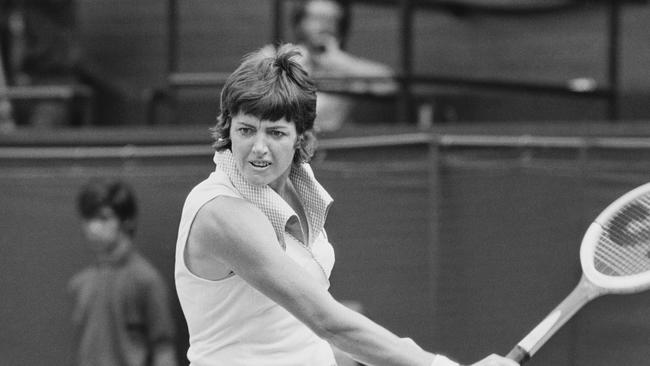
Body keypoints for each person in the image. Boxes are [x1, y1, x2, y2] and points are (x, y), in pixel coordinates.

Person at [174, 43, 517, 366]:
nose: (258, 147)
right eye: (246, 130)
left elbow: (299, 333)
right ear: (228, 129)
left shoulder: (296, 189)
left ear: (302, 139)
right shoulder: (220, 212)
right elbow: (327, 321)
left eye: (275, 133)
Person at [68, 178, 178, 366]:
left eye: (104, 218)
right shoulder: (80, 284)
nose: (93, 227)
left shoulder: (146, 280)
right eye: (89, 218)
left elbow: (163, 349)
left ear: (126, 220)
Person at [291, 0, 398, 132]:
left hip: (333, 143)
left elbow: (389, 85)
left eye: (332, 19)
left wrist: (340, 62)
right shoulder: (282, 58)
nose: (324, 25)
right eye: (316, 17)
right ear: (301, 23)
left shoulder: (343, 67)